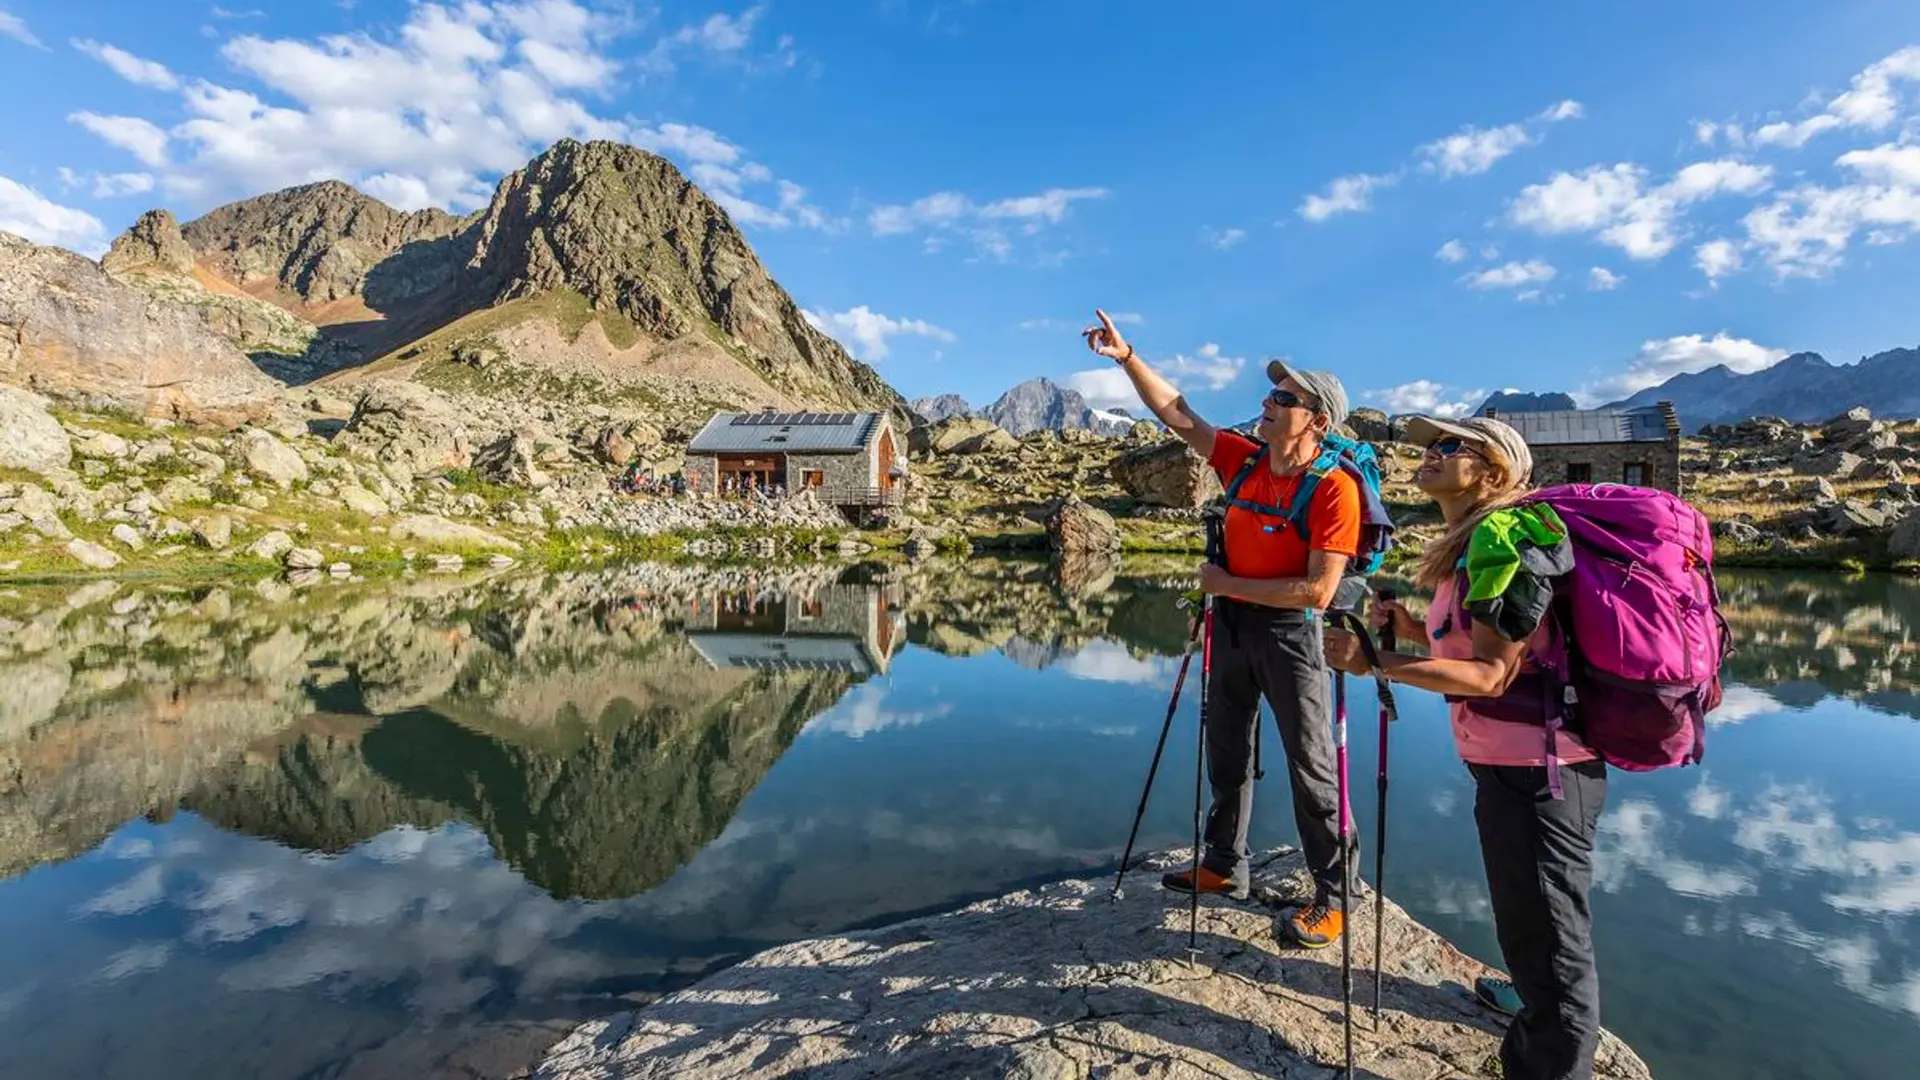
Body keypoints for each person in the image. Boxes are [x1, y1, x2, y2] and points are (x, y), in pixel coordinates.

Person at [1323, 415, 1606, 1080]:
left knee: (1550, 935)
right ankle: (1533, 995)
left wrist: (1375, 663)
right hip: (1515, 764)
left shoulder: (1502, 538)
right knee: (1533, 918)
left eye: (1450, 446)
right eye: (1430, 445)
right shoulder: (1472, 546)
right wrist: (1413, 629)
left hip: (1542, 773)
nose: (1431, 454)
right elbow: (1479, 648)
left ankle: (1555, 1058)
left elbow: (1491, 675)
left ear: (1494, 471)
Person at [1082, 308, 1361, 948]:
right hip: (1232, 628)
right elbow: (1179, 415)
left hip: (1292, 635)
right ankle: (1221, 864)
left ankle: (1335, 896)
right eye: (1268, 393)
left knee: (1312, 765)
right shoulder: (1242, 461)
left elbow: (1318, 591)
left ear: (1316, 420)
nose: (1265, 403)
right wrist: (1127, 358)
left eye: (1282, 398)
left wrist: (1223, 584)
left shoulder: (1334, 490)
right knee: (1228, 752)